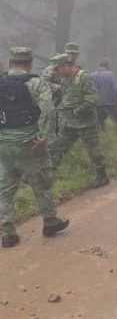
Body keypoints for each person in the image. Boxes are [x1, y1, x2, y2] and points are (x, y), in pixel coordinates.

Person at [0, 47, 70, 247]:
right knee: (41, 182)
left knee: (5, 188)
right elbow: (48, 110)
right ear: (29, 64)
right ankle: (50, 222)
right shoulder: (36, 83)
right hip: (30, 142)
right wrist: (45, 136)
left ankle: (7, 232)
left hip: (4, 144)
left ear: (10, 62)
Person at [49, 53, 109, 188]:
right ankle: (46, 175)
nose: (56, 72)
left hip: (85, 123)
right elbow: (65, 98)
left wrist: (78, 110)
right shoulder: (64, 79)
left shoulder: (84, 77)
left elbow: (92, 98)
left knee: (93, 150)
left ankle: (102, 175)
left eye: (57, 69)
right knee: (57, 147)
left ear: (65, 66)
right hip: (69, 124)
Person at [92, 59, 117, 132]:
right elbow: (116, 89)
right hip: (110, 104)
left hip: (97, 104)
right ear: (107, 65)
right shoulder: (110, 75)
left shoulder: (92, 75)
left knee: (99, 123)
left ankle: (101, 137)